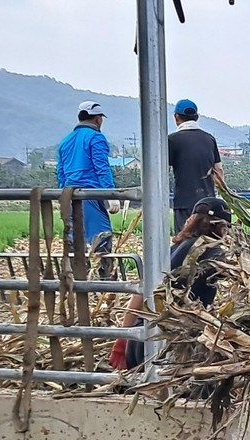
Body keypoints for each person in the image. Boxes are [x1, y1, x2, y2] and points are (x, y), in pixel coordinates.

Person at [108, 197, 231, 371]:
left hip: (139, 339)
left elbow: (139, 295)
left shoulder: (170, 250)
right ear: (223, 227)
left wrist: (121, 341)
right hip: (171, 347)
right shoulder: (215, 255)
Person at [56, 101, 120, 261]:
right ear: (97, 119)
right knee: (101, 238)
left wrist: (63, 197)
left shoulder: (65, 141)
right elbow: (102, 168)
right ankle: (105, 279)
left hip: (70, 196)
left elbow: (61, 174)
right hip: (90, 194)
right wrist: (110, 194)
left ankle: (76, 278)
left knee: (74, 240)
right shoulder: (95, 138)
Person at [168, 98, 223, 233]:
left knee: (184, 243)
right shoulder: (209, 139)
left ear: (176, 117)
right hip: (208, 203)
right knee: (207, 244)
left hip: (184, 202)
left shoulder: (172, 140)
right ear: (197, 117)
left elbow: (162, 171)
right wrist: (220, 196)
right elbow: (219, 170)